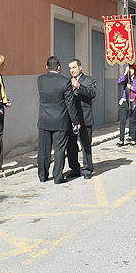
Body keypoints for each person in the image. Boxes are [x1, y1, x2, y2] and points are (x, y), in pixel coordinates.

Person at [37, 56, 80, 184]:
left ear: (46, 67)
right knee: (59, 149)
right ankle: (57, 176)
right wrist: (75, 121)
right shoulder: (64, 81)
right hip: (60, 120)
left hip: (44, 120)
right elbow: (70, 104)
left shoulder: (40, 80)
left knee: (43, 150)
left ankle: (42, 175)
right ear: (59, 67)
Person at [67, 59, 97, 180]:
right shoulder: (67, 82)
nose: (72, 70)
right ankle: (74, 168)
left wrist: (79, 86)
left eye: (74, 67)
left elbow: (92, 93)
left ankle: (87, 168)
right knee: (71, 145)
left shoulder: (89, 80)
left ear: (80, 67)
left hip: (85, 117)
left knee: (85, 144)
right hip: (72, 118)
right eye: (70, 68)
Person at [117, 65, 136, 146]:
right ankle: (121, 139)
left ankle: (133, 138)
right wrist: (125, 72)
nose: (131, 71)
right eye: (129, 69)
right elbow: (120, 82)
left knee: (132, 120)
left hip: (134, 101)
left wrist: (132, 88)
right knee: (122, 121)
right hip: (125, 100)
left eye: (132, 69)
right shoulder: (126, 78)